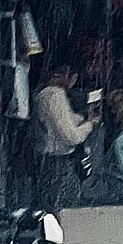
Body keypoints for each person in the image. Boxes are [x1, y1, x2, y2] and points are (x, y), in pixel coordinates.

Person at [33, 64, 98, 214]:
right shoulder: (54, 95)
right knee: (65, 211)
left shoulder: (44, 94)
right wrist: (90, 124)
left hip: (52, 163)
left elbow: (65, 121)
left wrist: (84, 119)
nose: (73, 83)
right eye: (71, 78)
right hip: (58, 163)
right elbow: (71, 136)